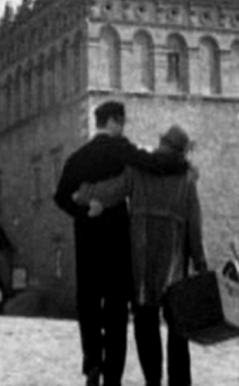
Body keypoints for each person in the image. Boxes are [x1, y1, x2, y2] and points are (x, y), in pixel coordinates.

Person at [54, 102, 189, 386]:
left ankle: (92, 361)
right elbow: (154, 163)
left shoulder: (77, 159)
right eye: (122, 123)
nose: (123, 129)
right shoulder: (122, 150)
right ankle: (112, 376)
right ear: (114, 122)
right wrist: (183, 163)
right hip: (117, 239)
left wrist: (84, 209)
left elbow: (60, 197)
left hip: (87, 237)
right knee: (116, 310)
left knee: (88, 303)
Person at [73, 125, 207, 386]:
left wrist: (83, 193)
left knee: (146, 325)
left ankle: (153, 380)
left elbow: (110, 191)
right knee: (178, 329)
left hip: (142, 260)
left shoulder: (138, 170)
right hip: (174, 264)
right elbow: (194, 226)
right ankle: (178, 382)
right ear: (182, 151)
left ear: (161, 143)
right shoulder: (187, 180)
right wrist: (200, 261)